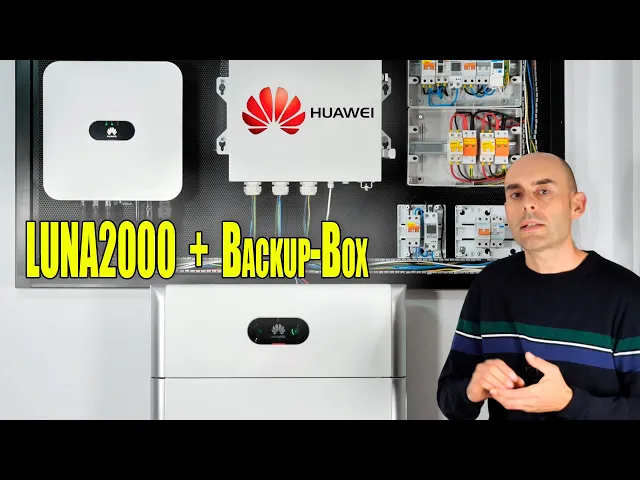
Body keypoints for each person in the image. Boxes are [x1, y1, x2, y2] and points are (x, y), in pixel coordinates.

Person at [436, 152, 640, 420]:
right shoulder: (490, 284)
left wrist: (569, 402)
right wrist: (472, 390)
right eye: (516, 194)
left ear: (577, 206)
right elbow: (450, 400)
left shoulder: (627, 294)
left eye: (544, 191)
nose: (528, 204)